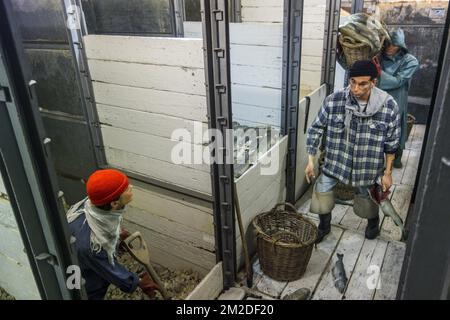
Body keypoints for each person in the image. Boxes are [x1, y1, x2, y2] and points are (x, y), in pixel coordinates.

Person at [305, 60, 400, 243]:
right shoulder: (334, 100)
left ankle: (373, 223)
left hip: (367, 165)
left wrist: (387, 173)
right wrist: (311, 159)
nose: (356, 88)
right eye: (352, 82)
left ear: (374, 82)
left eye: (362, 83)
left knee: (367, 197)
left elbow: (392, 142)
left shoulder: (389, 106)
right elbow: (316, 128)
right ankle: (324, 225)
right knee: (322, 191)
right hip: (337, 160)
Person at [67, 169, 159, 300]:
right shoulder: (94, 245)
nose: (131, 187)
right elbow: (111, 271)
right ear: (114, 203)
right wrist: (138, 282)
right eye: (126, 189)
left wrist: (116, 235)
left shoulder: (93, 204)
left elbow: (108, 223)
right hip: (82, 285)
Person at [374, 28, 419, 168]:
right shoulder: (378, 57)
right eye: (386, 44)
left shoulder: (410, 61)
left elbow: (397, 81)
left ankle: (395, 158)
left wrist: (378, 72)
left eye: (393, 45)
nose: (389, 48)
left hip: (396, 99)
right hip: (377, 98)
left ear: (400, 46)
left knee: (396, 129)